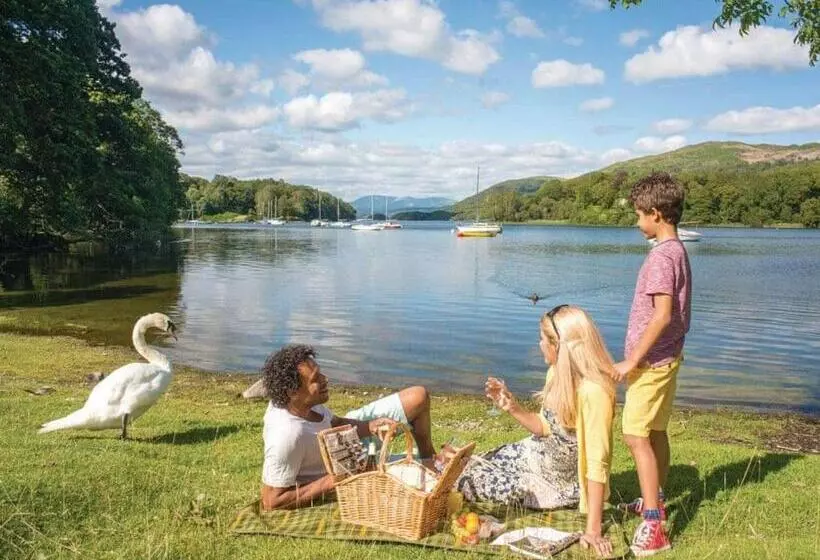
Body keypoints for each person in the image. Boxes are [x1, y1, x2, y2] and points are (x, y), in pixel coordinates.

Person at [450, 305, 616, 558]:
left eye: (543, 339)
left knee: (463, 482)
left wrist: (593, 529)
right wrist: (513, 407)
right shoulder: (556, 374)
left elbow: (597, 463)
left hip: (552, 484)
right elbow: (546, 427)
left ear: (559, 347)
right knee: (462, 463)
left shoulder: (595, 392)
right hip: (532, 455)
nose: (539, 345)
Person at [613, 172, 692, 556]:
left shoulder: (662, 257)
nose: (636, 222)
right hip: (668, 359)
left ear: (657, 213)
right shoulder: (677, 250)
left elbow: (661, 315)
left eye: (639, 215)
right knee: (656, 431)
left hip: (652, 363)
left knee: (634, 436)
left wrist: (632, 360)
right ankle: (652, 500)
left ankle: (654, 526)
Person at [259, 344, 435, 510]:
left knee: (418, 396)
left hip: (346, 439)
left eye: (320, 373)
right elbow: (271, 501)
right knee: (430, 480)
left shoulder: (302, 402)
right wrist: (334, 480)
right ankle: (431, 466)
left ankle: (430, 457)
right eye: (315, 380)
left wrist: (370, 426)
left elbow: (334, 422)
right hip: (347, 468)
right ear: (292, 392)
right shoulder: (286, 436)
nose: (325, 380)